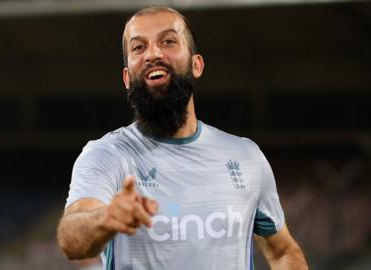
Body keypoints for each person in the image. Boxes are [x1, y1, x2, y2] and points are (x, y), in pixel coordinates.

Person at [57, 6, 309, 270]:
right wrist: (105, 219)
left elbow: (282, 251)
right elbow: (71, 238)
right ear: (126, 78)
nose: (153, 54)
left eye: (168, 41)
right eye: (138, 48)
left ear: (196, 64)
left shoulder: (245, 156)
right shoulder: (108, 155)